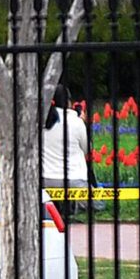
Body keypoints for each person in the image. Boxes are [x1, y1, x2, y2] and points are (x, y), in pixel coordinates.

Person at [40, 85, 90, 218]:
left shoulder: (41, 121)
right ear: (68, 101)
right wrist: (83, 123)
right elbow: (87, 149)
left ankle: (57, 206)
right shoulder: (76, 121)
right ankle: (71, 205)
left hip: (45, 179)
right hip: (74, 180)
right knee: (98, 202)